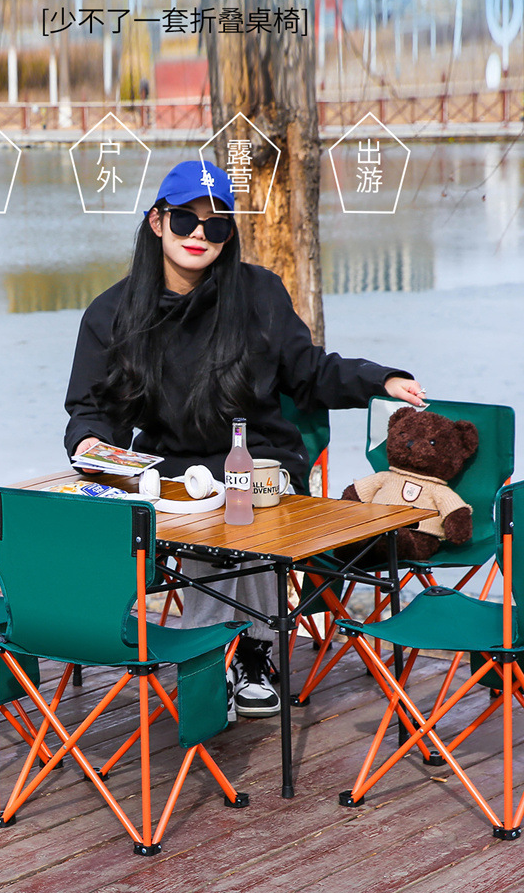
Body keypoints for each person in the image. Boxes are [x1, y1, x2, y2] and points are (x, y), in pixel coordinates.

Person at [64, 160, 426, 720]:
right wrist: (91, 444)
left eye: (216, 224)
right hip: (172, 470)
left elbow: (310, 371)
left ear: (229, 233)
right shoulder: (112, 312)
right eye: (184, 220)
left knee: (237, 508)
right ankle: (215, 659)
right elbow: (94, 408)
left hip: (260, 459)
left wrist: (381, 380)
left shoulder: (258, 293)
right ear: (157, 222)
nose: (199, 235)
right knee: (192, 514)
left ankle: (241, 658)